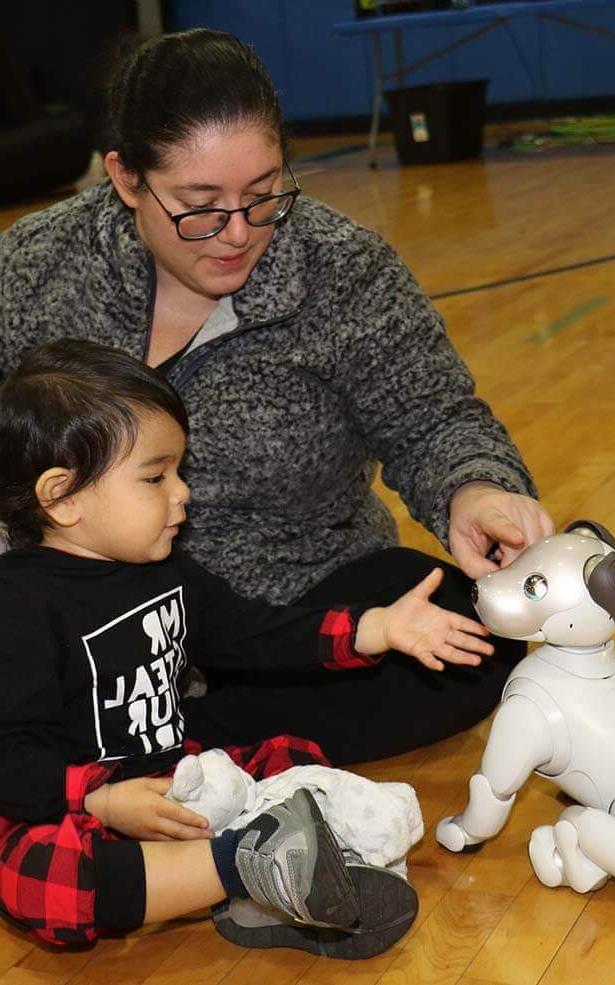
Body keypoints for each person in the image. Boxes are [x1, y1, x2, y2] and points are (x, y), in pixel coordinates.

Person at [0, 28, 555, 764]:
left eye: (263, 198)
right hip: (83, 619)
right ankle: (177, 742)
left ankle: (143, 744)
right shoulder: (35, 266)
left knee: (456, 625)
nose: (237, 234)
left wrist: (475, 491)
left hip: (294, 609)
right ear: (126, 178)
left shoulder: (343, 268)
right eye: (199, 206)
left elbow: (433, 418)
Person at [0, 338, 493, 951]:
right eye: (155, 476)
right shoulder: (17, 605)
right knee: (37, 878)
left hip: (174, 780)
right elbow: (10, 760)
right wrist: (100, 801)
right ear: (63, 497)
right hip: (74, 808)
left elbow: (252, 633)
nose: (182, 493)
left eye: (180, 470)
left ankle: (282, 883)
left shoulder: (164, 569)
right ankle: (247, 869)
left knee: (291, 759)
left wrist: (378, 627)